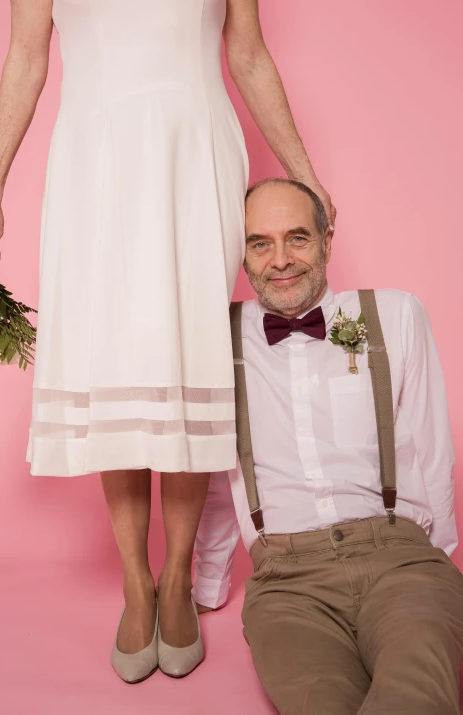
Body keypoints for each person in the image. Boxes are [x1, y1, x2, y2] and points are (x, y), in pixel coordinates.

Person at [0, 0, 334, 684]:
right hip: (95, 163)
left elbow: (250, 54)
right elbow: (26, 55)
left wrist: (305, 175)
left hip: (194, 158)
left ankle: (176, 582)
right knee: (119, 368)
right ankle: (137, 580)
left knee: (185, 361)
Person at [193, 178, 463, 714]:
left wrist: (441, 565)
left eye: (298, 237)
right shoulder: (216, 335)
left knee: (418, 691)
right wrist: (207, 584)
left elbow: (433, 450)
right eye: (259, 243)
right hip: (287, 585)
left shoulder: (396, 314)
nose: (280, 260)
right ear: (240, 254)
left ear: (327, 240)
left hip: (402, 560)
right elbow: (216, 471)